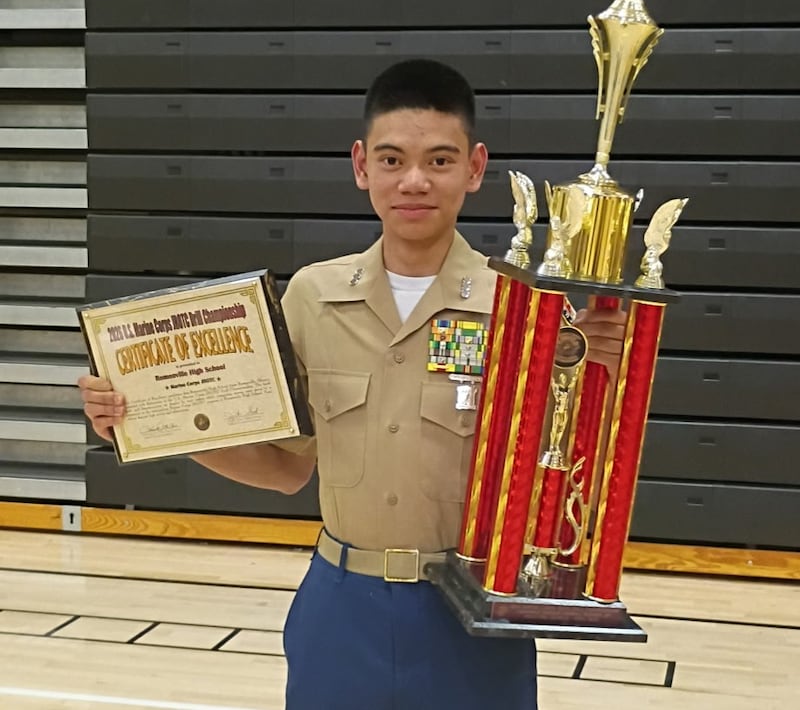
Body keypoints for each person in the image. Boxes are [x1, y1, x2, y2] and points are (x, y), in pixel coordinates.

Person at [80, 59, 627, 710]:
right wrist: (146, 421)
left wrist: (598, 373)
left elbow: (562, 473)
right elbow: (286, 468)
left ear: (475, 168)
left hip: (472, 613)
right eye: (392, 160)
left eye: (440, 160)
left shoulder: (523, 310)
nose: (414, 181)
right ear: (362, 165)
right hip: (340, 611)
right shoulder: (313, 297)